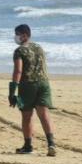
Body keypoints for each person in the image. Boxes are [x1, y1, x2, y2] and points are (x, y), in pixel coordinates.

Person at [9, 24, 56, 156]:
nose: (16, 37)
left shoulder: (19, 51)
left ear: (24, 35)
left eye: (17, 34)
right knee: (44, 114)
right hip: (43, 83)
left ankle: (28, 145)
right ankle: (51, 144)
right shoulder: (39, 47)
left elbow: (18, 71)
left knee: (27, 115)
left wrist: (12, 90)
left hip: (28, 85)